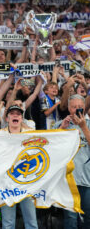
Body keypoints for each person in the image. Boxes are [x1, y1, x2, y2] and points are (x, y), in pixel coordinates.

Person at [0, 104, 38, 229]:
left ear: (21, 119)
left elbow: (50, 140)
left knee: (31, 222)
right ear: (7, 119)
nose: (15, 115)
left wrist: (62, 128)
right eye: (12, 113)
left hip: (26, 182)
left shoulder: (31, 134)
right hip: (6, 183)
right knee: (8, 223)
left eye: (18, 114)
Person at [52, 94, 90, 228]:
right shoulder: (60, 124)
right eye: (74, 107)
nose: (77, 110)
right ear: (68, 108)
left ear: (84, 107)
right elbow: (49, 148)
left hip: (87, 179)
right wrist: (62, 128)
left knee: (88, 216)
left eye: (80, 107)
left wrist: (84, 127)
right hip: (67, 180)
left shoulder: (89, 124)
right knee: (70, 218)